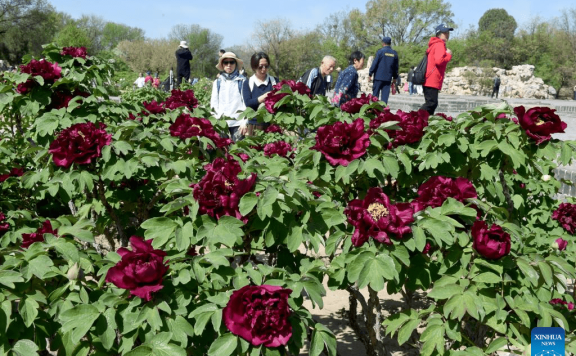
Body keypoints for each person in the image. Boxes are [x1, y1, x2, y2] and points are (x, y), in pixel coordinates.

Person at [210, 52, 247, 141]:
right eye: (226, 62)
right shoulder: (218, 82)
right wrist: (216, 120)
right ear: (222, 65)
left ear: (236, 64)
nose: (229, 65)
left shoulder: (242, 81)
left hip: (238, 122)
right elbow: (214, 103)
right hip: (222, 122)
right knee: (223, 151)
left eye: (232, 62)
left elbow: (246, 103)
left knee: (238, 151)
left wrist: (244, 122)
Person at [420, 24, 453, 115]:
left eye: (448, 32)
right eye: (445, 32)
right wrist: (448, 55)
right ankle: (414, 118)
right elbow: (439, 61)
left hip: (430, 78)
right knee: (431, 103)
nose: (447, 34)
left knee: (431, 103)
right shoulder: (439, 44)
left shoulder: (435, 44)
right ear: (439, 34)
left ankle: (424, 122)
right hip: (432, 78)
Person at [242, 52, 278, 135]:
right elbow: (248, 103)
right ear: (254, 67)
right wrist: (264, 97)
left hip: (272, 124)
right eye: (260, 67)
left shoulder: (274, 81)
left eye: (266, 66)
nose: (264, 69)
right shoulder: (248, 83)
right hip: (254, 125)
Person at [368, 36, 399, 104]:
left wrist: (370, 73)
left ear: (383, 43)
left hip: (378, 78)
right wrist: (395, 77)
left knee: (375, 97)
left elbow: (374, 63)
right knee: (384, 98)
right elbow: (395, 67)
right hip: (388, 79)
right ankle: (383, 112)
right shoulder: (394, 53)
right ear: (390, 43)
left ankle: (374, 112)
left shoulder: (380, 52)